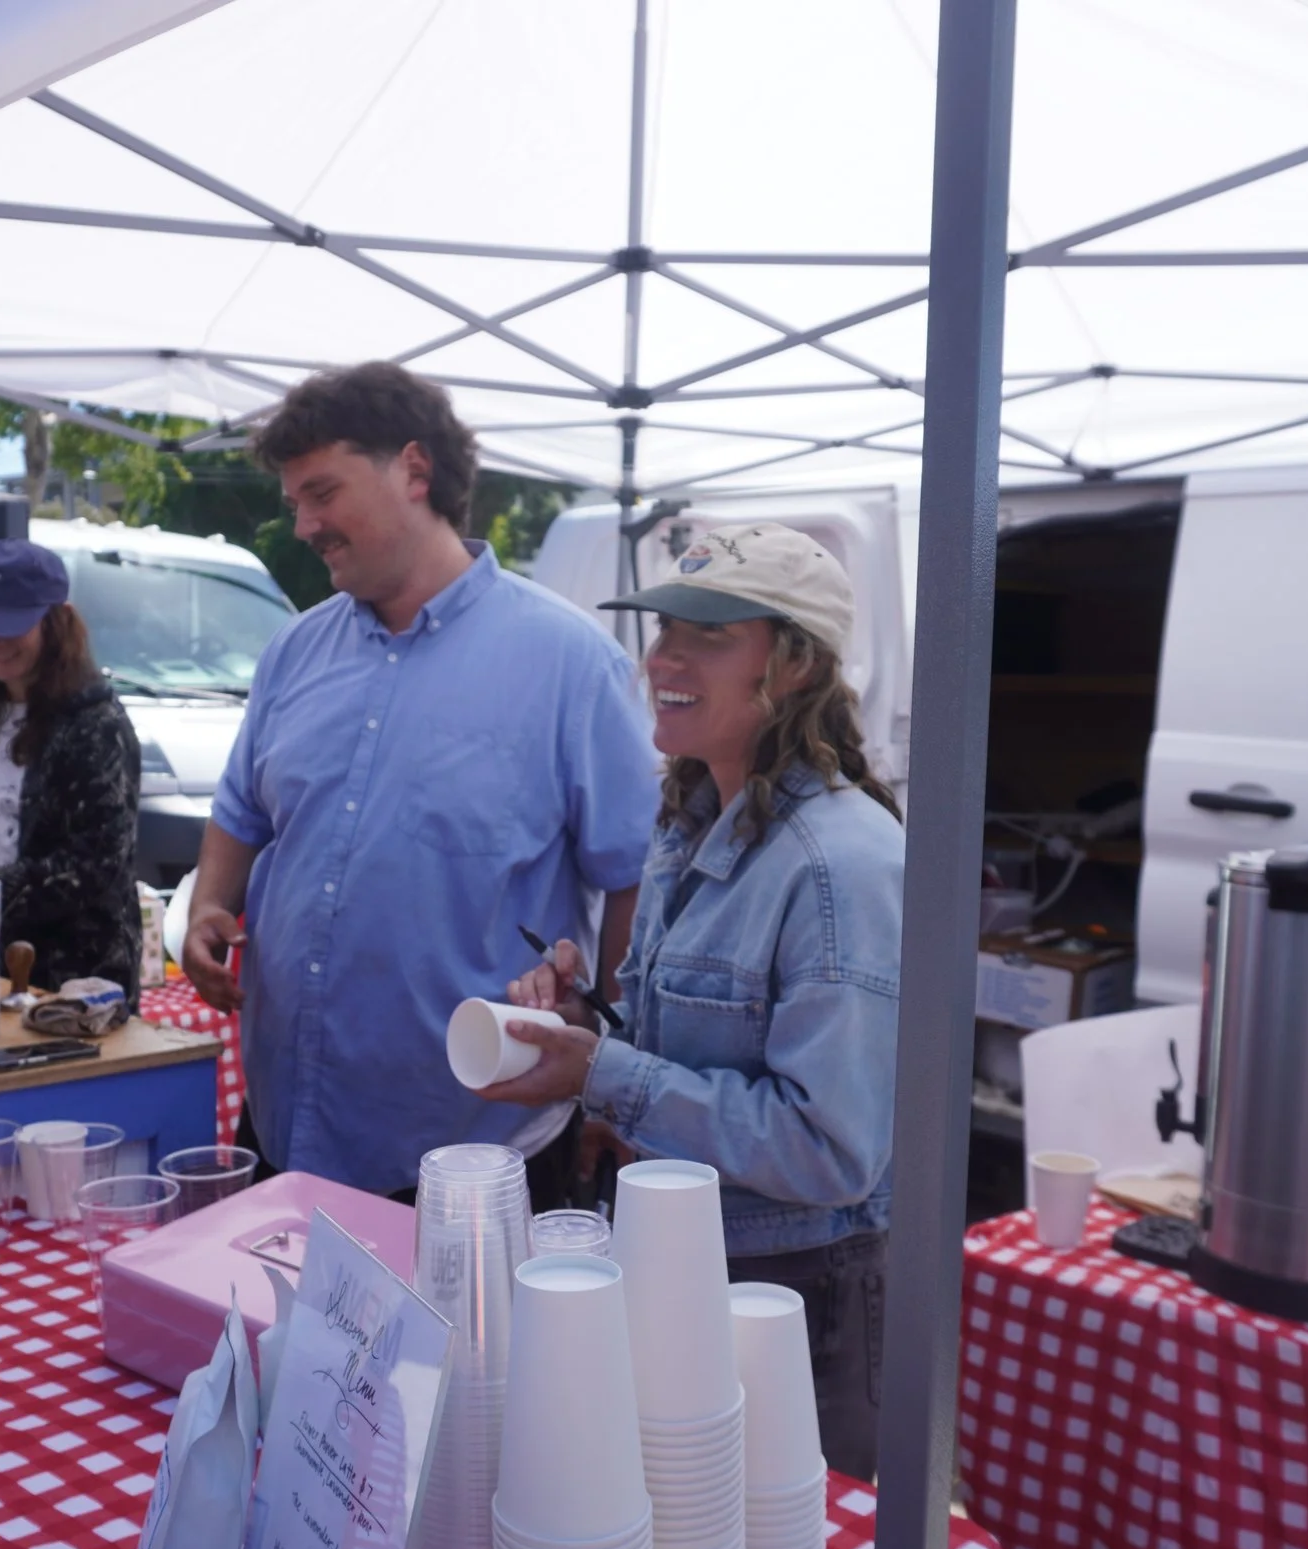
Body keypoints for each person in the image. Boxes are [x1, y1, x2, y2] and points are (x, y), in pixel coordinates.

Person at [479, 522, 904, 1480]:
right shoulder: (693, 818)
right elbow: (682, 1057)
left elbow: (828, 1149)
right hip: (691, 1265)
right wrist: (584, 1024)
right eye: (664, 628)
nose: (661, 658)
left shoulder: (841, 864)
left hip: (802, 1298)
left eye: (707, 636)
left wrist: (606, 1072)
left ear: (795, 665)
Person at [180, 362, 657, 1206]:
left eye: (321, 493)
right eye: (294, 502)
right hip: (286, 1124)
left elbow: (634, 881)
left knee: (470, 1347)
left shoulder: (571, 664)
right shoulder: (294, 650)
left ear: (413, 469)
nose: (304, 524)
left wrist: (611, 1061)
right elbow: (238, 811)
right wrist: (209, 907)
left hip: (477, 1150)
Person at [0, 538, 143, 998]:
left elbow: (94, 865)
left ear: (58, 622)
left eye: (11, 626)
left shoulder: (96, 723)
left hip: (72, 978)